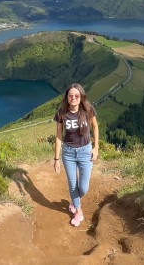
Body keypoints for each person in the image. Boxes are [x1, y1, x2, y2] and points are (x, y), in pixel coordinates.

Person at [53, 83, 99, 227]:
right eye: (70, 96)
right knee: (73, 184)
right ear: (67, 98)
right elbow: (59, 135)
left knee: (83, 187)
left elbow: (95, 126)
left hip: (86, 152)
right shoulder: (62, 113)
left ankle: (75, 201)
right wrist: (56, 158)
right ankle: (78, 211)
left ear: (81, 97)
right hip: (68, 153)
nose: (73, 98)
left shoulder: (88, 110)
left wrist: (96, 147)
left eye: (76, 96)